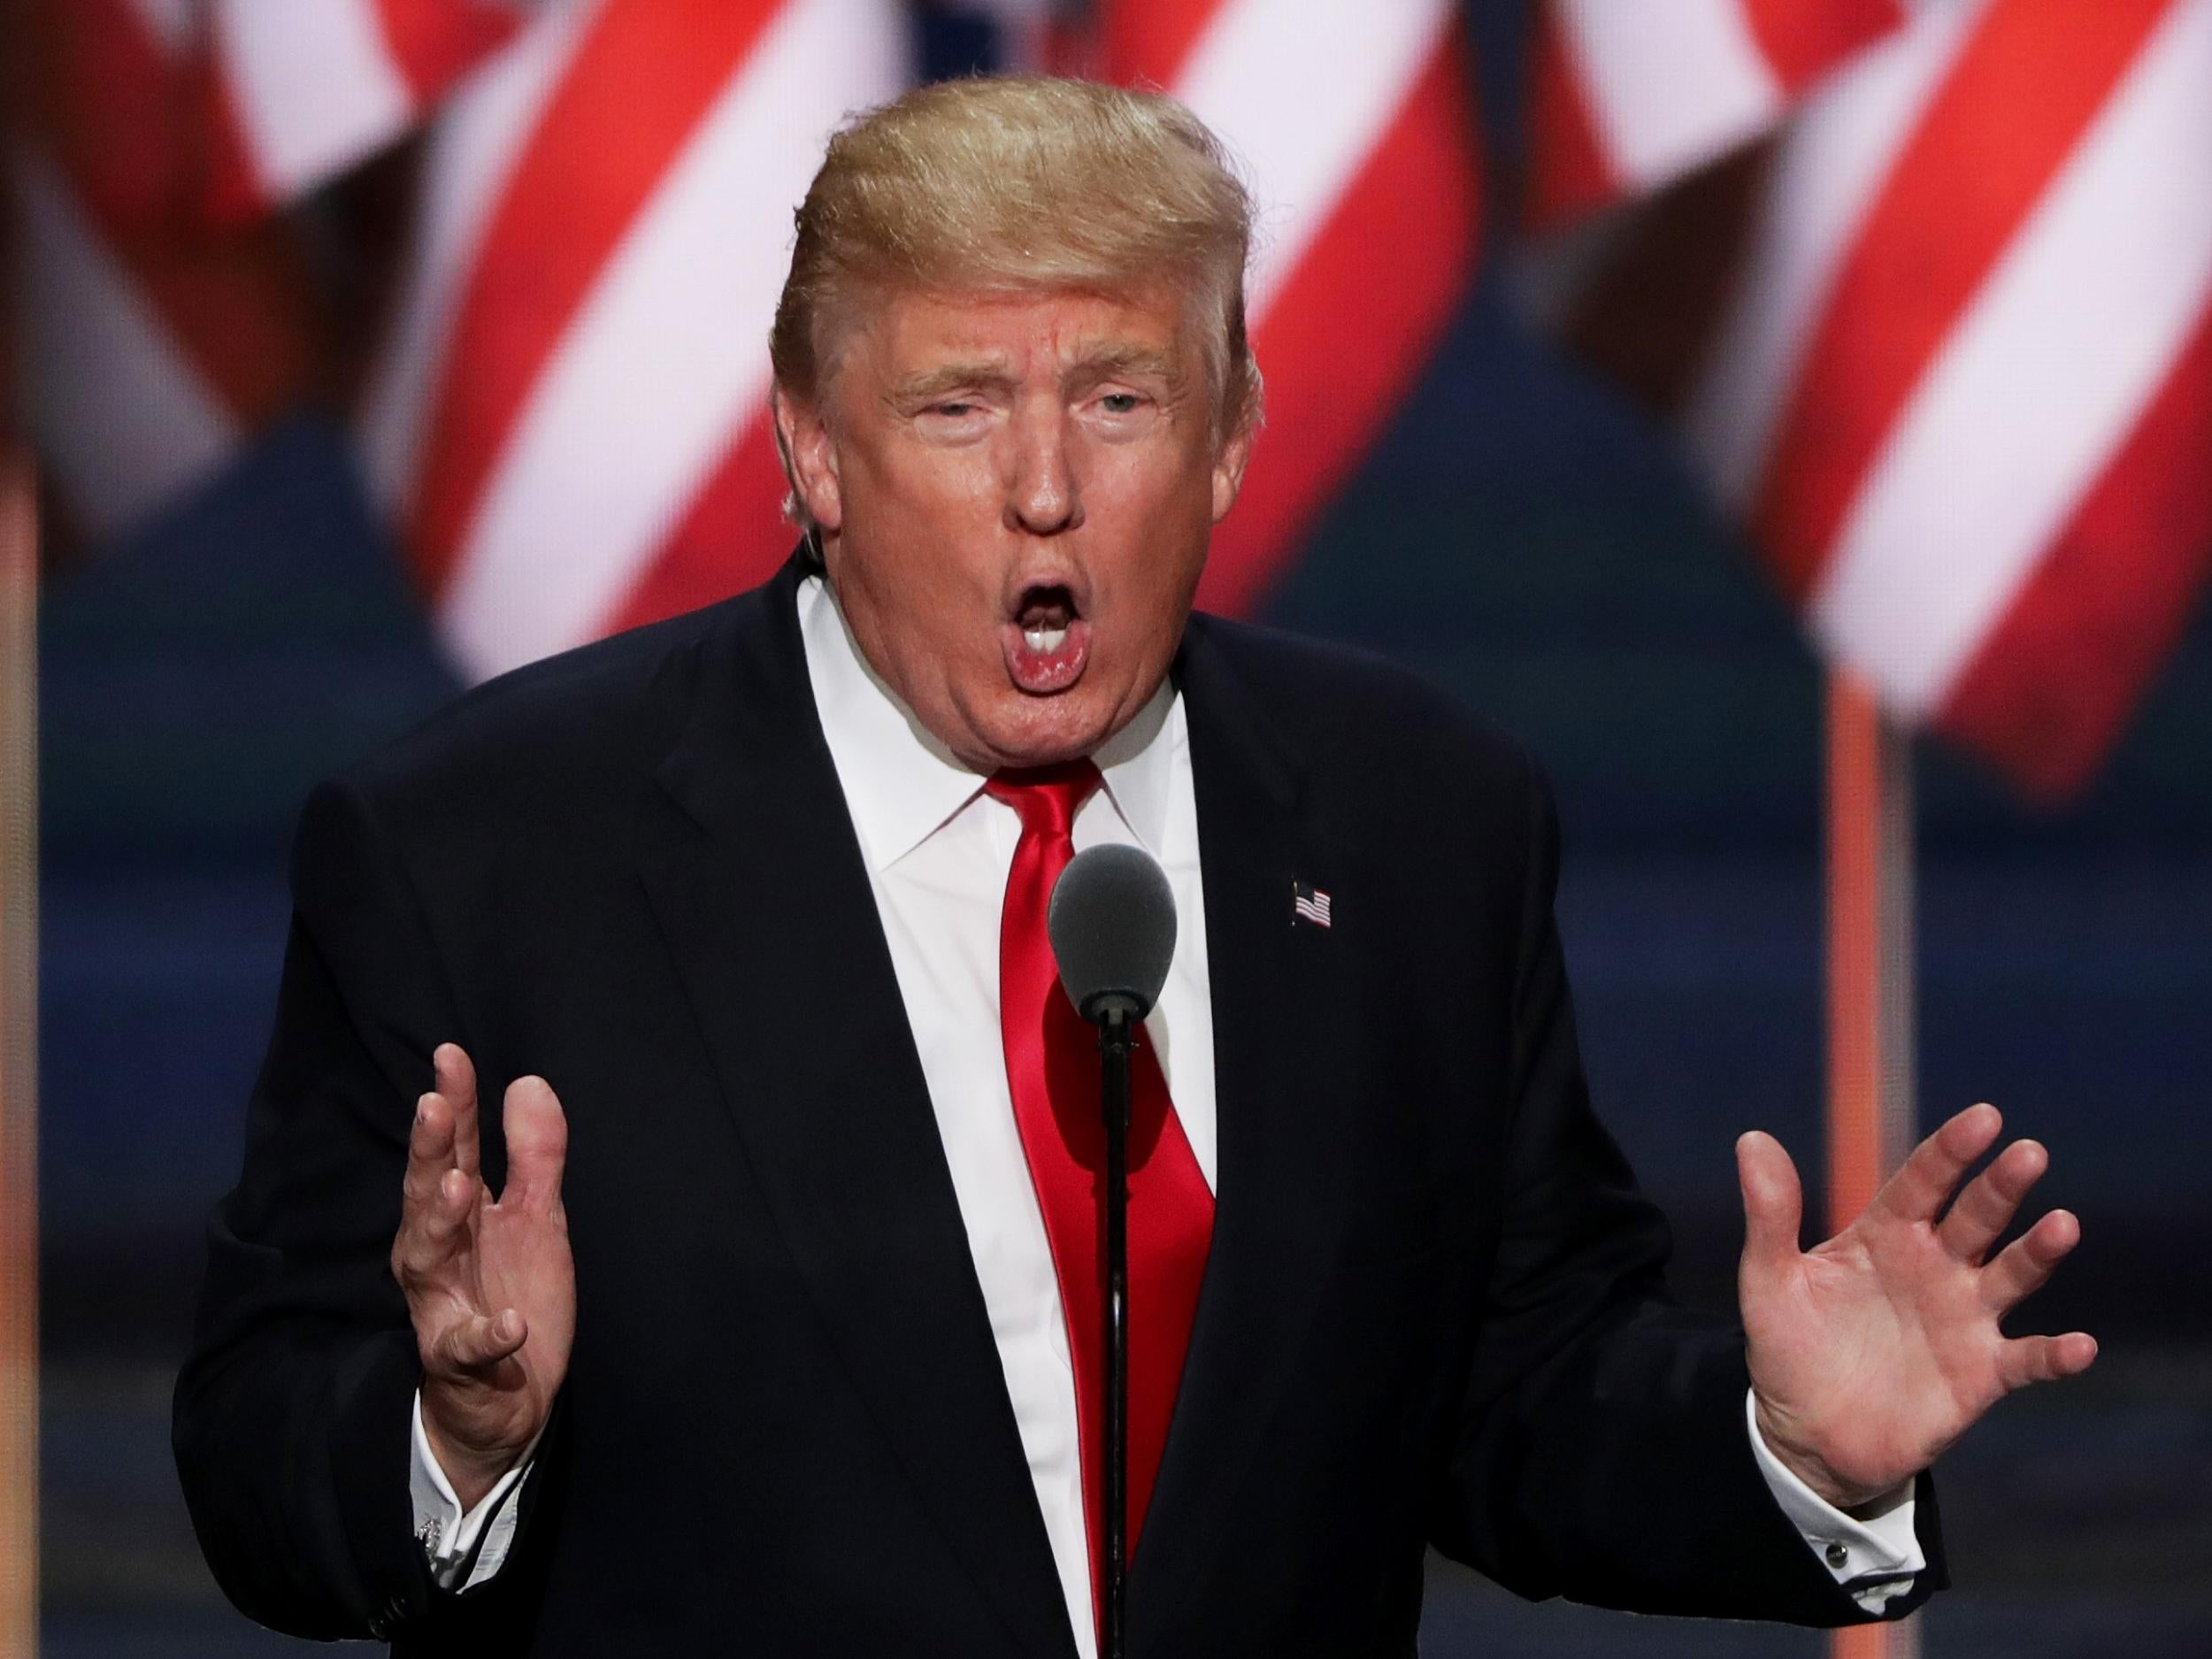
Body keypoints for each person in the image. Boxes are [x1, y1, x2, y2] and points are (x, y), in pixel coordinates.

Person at [173, 76, 2095, 1657]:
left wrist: (1791, 1448)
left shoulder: (1418, 821)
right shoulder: (487, 849)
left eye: (1115, 397)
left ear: (1232, 436)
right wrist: (455, 1429)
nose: (1041, 486)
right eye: (955, 405)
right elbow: (258, 1455)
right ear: (810, 452)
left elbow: (1513, 1399)